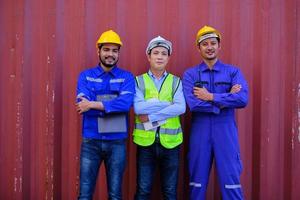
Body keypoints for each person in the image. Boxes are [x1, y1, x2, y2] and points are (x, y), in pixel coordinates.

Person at [182, 25, 249, 200]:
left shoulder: (233, 72)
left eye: (213, 43)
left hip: (225, 131)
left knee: (231, 182)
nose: (209, 47)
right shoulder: (190, 75)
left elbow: (242, 99)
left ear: (220, 46)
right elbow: (194, 104)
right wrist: (225, 99)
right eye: (205, 44)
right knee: (197, 183)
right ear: (199, 48)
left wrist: (211, 96)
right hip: (200, 130)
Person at [76, 30, 135, 200]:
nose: (110, 54)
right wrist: (111, 104)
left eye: (114, 50)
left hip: (116, 142)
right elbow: (81, 103)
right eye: (106, 49)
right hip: (91, 140)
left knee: (115, 194)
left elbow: (125, 104)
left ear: (118, 53)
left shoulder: (126, 77)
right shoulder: (86, 76)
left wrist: (93, 104)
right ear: (98, 51)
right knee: (85, 194)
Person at [133, 36, 186, 200]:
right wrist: (166, 105)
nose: (160, 56)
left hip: (171, 144)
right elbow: (138, 108)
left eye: (164, 53)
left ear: (168, 58)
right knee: (143, 190)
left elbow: (181, 108)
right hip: (145, 143)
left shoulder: (176, 82)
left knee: (170, 192)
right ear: (149, 56)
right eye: (155, 53)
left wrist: (150, 115)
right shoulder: (138, 81)